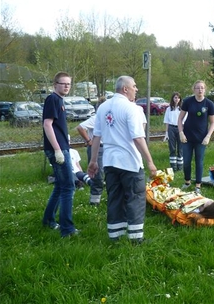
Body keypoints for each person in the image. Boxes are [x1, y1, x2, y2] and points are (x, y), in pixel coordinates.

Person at [87, 76, 157, 243]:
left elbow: (96, 136)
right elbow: (138, 137)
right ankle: (135, 238)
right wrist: (150, 162)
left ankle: (115, 235)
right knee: (135, 197)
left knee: (115, 197)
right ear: (125, 89)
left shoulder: (103, 108)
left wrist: (93, 161)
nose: (136, 89)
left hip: (110, 162)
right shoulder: (130, 108)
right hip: (129, 163)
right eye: (134, 86)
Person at [41, 71, 79, 237]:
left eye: (68, 84)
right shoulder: (53, 99)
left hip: (62, 147)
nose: (66, 86)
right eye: (63, 83)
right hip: (58, 149)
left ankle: (48, 220)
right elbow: (47, 125)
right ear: (55, 85)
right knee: (68, 187)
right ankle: (67, 229)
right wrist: (57, 149)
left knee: (59, 186)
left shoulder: (59, 100)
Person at [178, 80, 214, 194]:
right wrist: (181, 132)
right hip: (187, 137)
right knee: (186, 161)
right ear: (193, 89)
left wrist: (208, 136)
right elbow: (180, 119)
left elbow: (213, 122)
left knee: (199, 161)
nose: (200, 90)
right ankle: (187, 181)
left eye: (202, 88)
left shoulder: (209, 104)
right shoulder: (188, 101)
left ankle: (198, 185)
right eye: (198, 88)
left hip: (201, 139)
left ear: (205, 90)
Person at [75, 96, 106, 205]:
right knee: (97, 175)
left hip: (106, 148)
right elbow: (80, 127)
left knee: (105, 174)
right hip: (98, 149)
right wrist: (89, 141)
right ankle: (94, 202)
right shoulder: (96, 118)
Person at [163, 92, 184, 171]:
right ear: (173, 99)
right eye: (175, 97)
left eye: (178, 98)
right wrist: (167, 132)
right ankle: (173, 167)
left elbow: (184, 120)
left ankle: (180, 166)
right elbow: (167, 121)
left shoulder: (182, 109)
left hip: (180, 128)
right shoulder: (169, 109)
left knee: (180, 148)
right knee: (172, 148)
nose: (177, 99)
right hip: (171, 128)